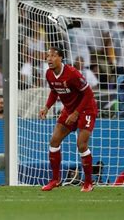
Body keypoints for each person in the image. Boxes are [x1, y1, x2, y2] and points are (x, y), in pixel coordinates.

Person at [39, 47, 98, 192]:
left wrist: (77, 113)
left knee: (81, 145)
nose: (49, 59)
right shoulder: (49, 74)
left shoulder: (72, 74)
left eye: (53, 56)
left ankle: (88, 182)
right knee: (54, 141)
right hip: (69, 110)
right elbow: (54, 91)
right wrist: (46, 107)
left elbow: (88, 94)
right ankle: (55, 179)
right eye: (48, 56)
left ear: (60, 58)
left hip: (86, 109)